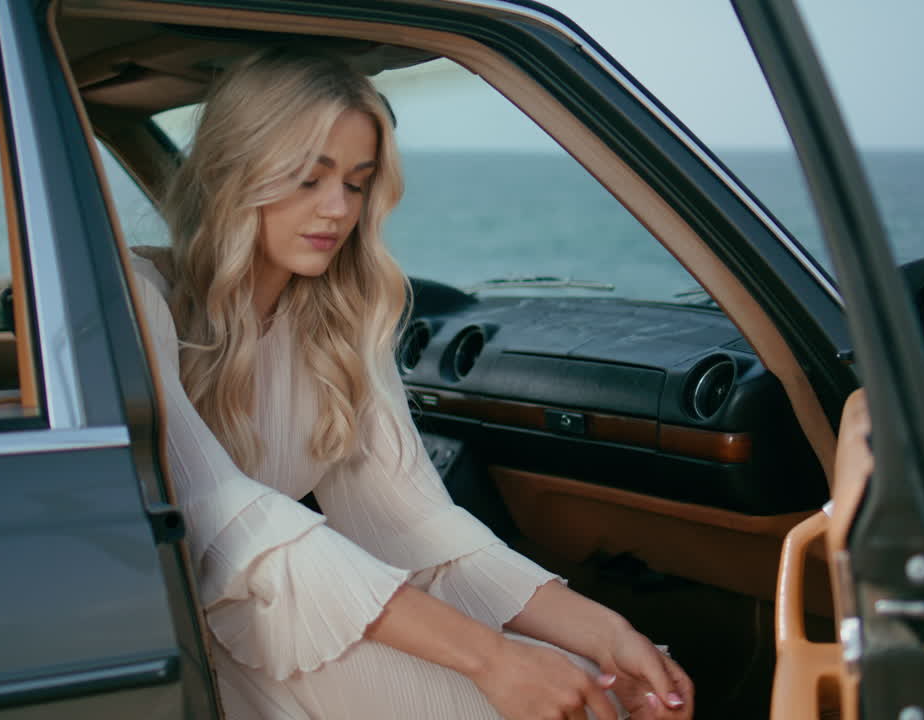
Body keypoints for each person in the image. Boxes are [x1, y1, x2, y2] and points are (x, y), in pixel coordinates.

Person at [128, 47, 694, 720]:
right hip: (169, 639)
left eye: (358, 182)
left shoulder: (339, 321)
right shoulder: (142, 298)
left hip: (285, 618)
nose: (337, 209)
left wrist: (609, 636)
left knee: (604, 689)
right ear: (233, 173)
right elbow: (230, 519)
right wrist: (492, 658)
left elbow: (415, 527)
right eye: (309, 179)